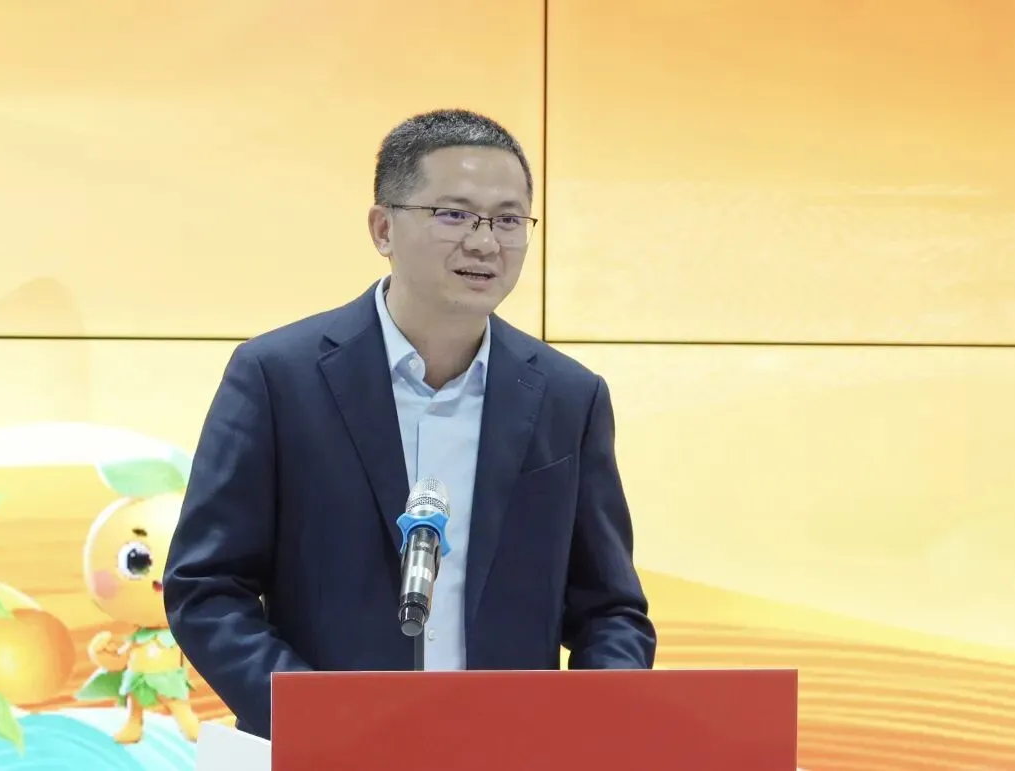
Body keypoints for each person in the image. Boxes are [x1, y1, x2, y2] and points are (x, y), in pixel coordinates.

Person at [162, 108, 656, 740]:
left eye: (509, 220)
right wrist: (317, 718)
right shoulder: (278, 377)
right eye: (454, 214)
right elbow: (207, 587)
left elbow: (610, 611)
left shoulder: (569, 396)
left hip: (509, 747)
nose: (485, 243)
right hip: (331, 751)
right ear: (382, 228)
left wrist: (588, 728)